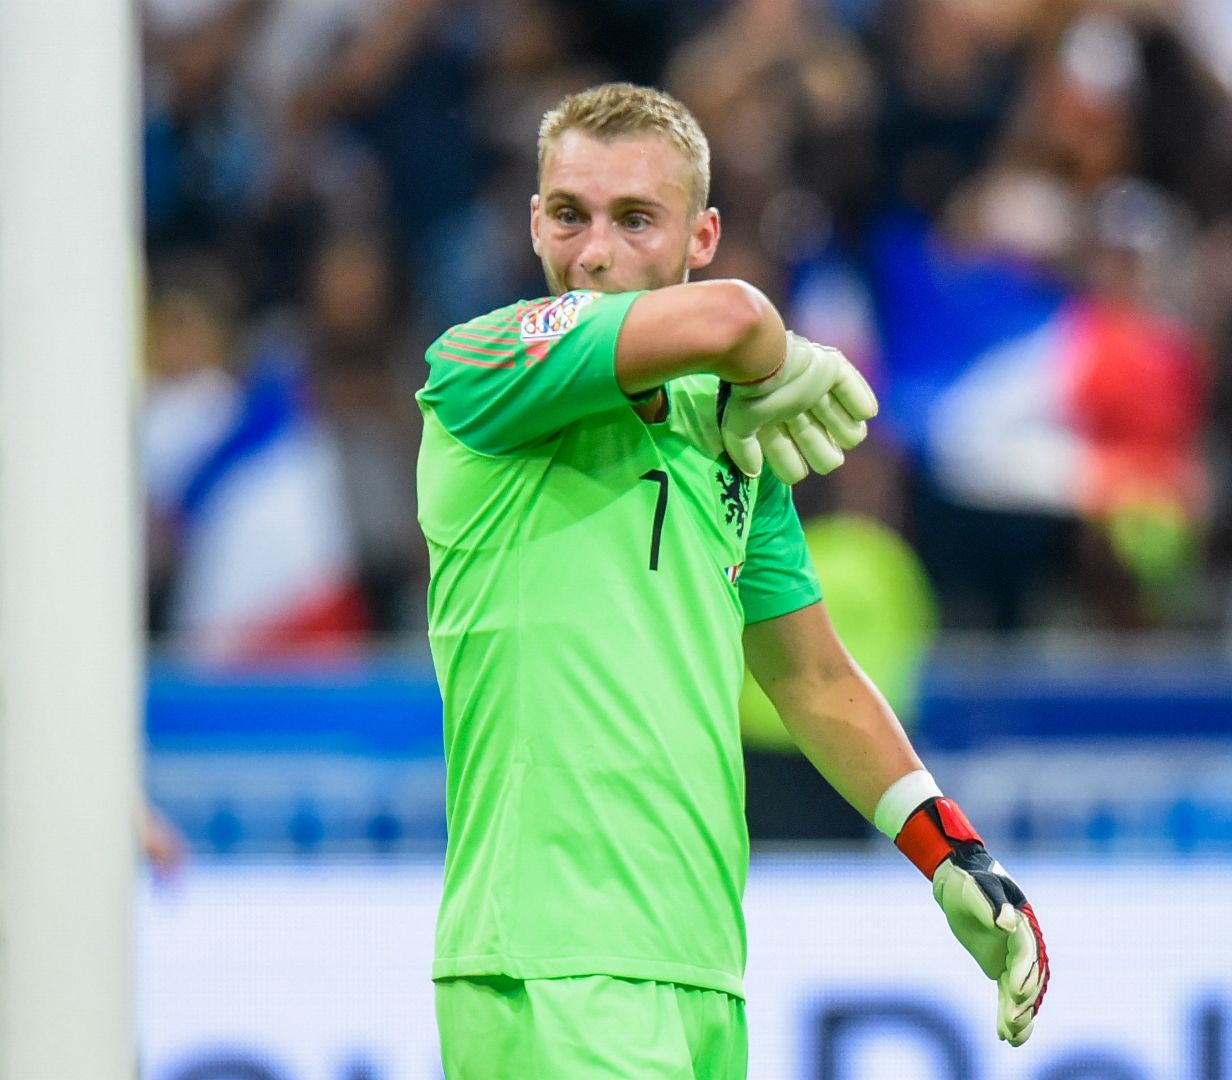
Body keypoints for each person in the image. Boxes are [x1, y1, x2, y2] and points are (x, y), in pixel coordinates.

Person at [417, 83, 1048, 1077]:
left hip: (700, 965)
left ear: (698, 234)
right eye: (570, 215)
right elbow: (736, 317)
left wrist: (953, 851)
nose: (595, 252)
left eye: (636, 220)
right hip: (551, 965)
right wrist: (776, 354)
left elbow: (812, 677)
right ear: (534, 220)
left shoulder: (737, 440)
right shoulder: (478, 368)